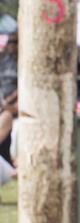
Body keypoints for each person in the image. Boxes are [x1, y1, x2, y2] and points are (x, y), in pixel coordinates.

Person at [0, 32, 18, 166]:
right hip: (3, 100)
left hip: (15, 104)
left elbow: (23, 87)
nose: (12, 45)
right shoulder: (4, 61)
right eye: (10, 42)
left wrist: (7, 102)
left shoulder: (22, 61)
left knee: (6, 116)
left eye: (15, 42)